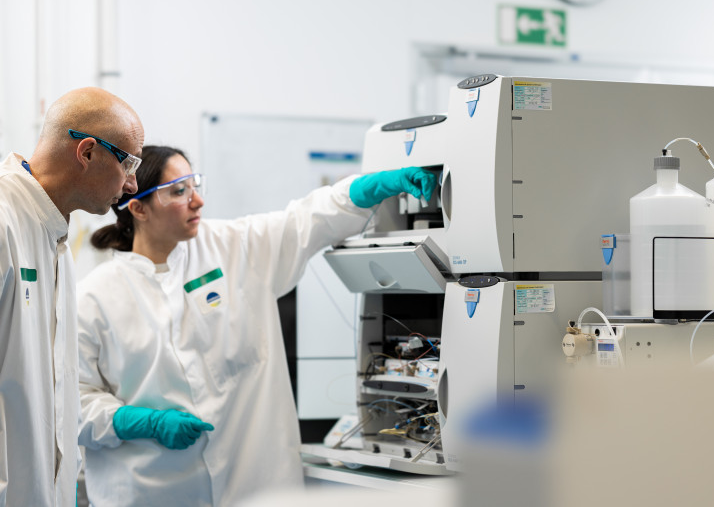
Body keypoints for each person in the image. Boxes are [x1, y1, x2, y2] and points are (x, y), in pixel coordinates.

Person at [77, 144, 435, 506]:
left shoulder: (232, 247)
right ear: (138, 208)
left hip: (253, 483)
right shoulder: (96, 296)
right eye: (179, 191)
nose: (197, 201)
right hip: (149, 491)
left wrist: (372, 186)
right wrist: (135, 422)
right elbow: (70, 401)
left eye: (195, 185)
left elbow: (306, 220)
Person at [0, 87, 143, 506]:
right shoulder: (4, 223)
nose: (133, 183)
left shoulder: (55, 240)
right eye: (129, 162)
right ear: (86, 152)